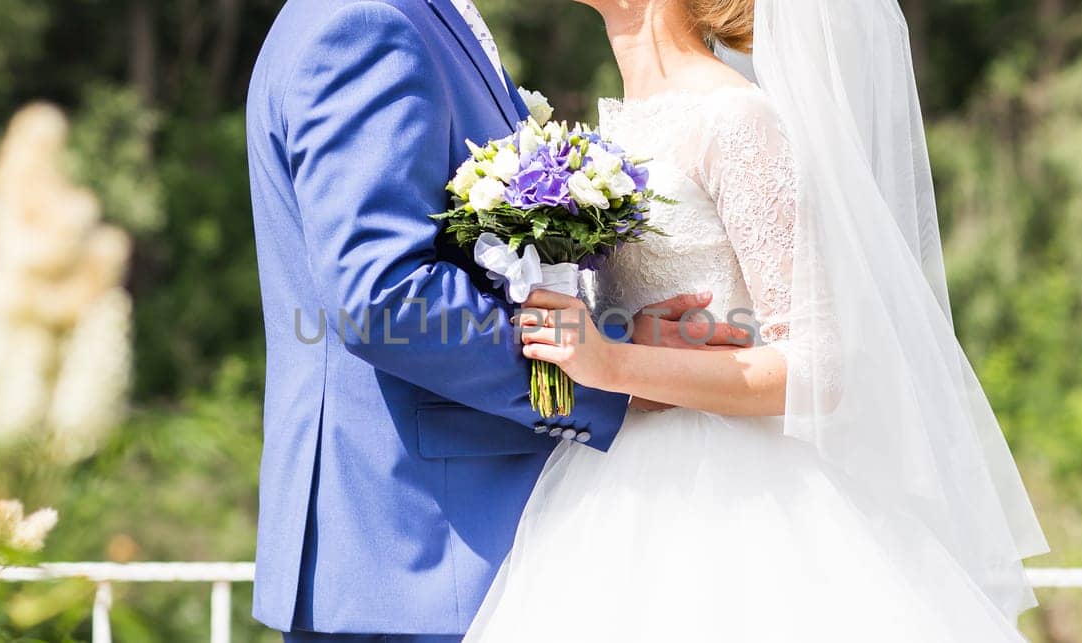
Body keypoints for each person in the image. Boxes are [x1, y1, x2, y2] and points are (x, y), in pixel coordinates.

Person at [466, 0, 1049, 639]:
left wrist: (613, 364)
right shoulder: (611, 134)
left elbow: (820, 368)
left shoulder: (734, 117)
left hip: (739, 504)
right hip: (611, 487)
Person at [242, 1, 739, 640]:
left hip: (434, 544)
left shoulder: (412, 17)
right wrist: (612, 373)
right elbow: (386, 298)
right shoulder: (369, 22)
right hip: (418, 546)